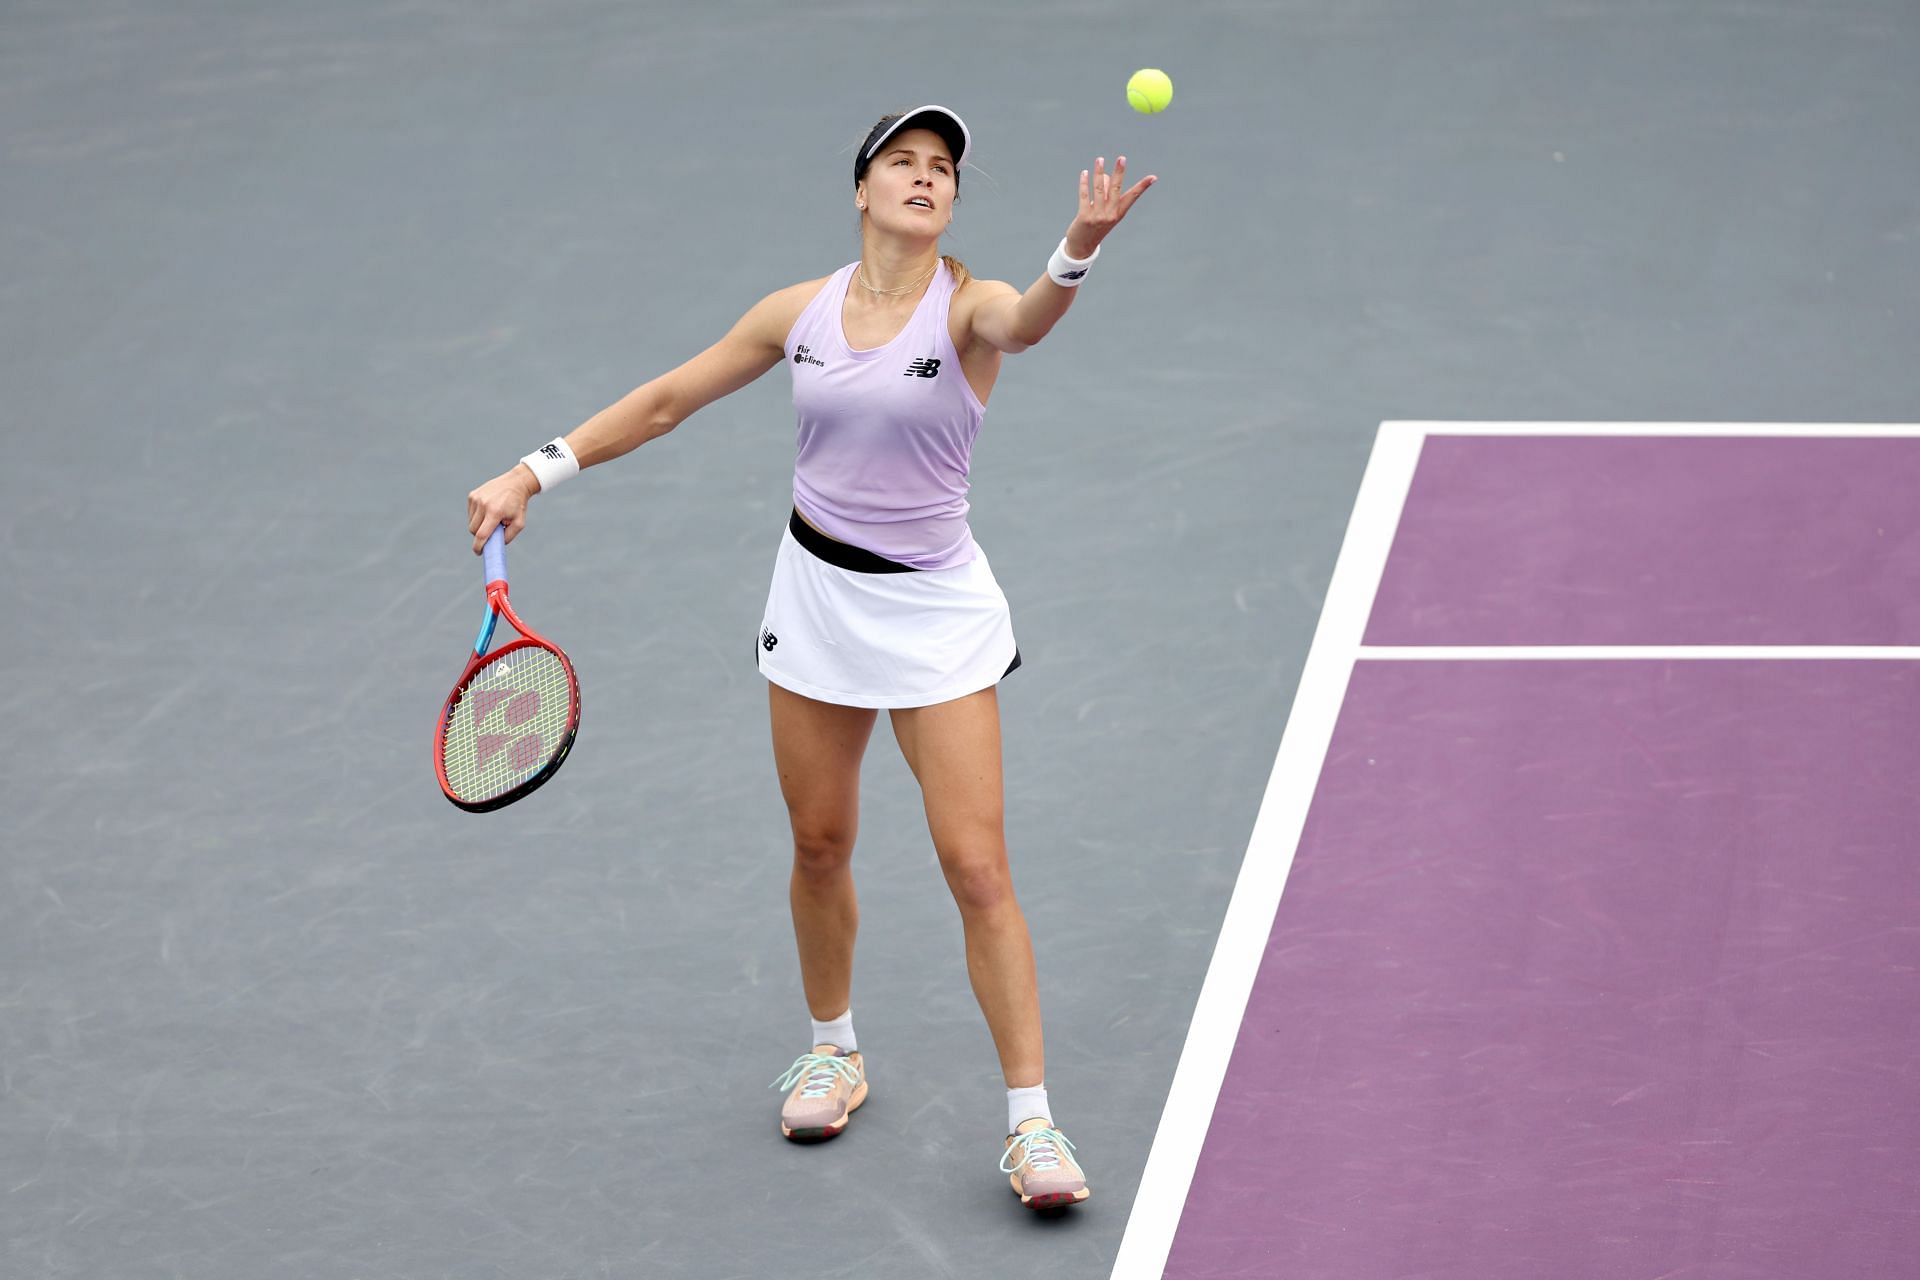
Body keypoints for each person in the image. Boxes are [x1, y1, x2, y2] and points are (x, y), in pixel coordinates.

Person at [465, 105, 1154, 1212]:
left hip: (935, 618)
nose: (925, 179)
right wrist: (532, 470)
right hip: (818, 601)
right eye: (903, 163)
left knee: (978, 871)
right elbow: (665, 400)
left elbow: (1026, 322)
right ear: (862, 189)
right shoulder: (802, 311)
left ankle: (1032, 1122)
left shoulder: (967, 307)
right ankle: (833, 1047)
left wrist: (1079, 248)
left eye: (943, 170)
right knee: (821, 842)